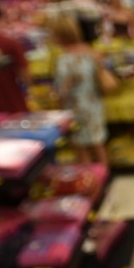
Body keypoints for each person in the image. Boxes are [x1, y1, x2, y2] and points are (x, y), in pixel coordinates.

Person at [49, 14, 119, 164]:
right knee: (98, 144)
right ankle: (104, 176)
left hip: (75, 109)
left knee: (81, 149)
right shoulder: (91, 53)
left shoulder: (64, 61)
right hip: (94, 105)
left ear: (60, 36)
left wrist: (58, 104)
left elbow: (63, 91)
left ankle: (90, 182)